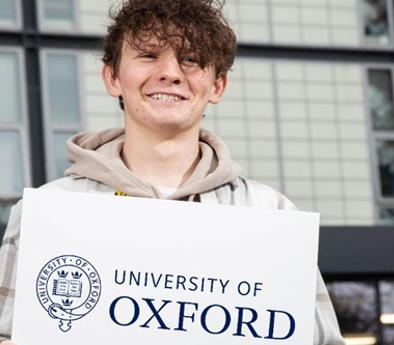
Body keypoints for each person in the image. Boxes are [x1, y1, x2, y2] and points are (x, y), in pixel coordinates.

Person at [0, 0, 345, 344]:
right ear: (112, 78)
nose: (170, 72)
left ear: (218, 86)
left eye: (190, 59)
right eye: (148, 55)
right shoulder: (46, 213)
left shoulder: (272, 213)